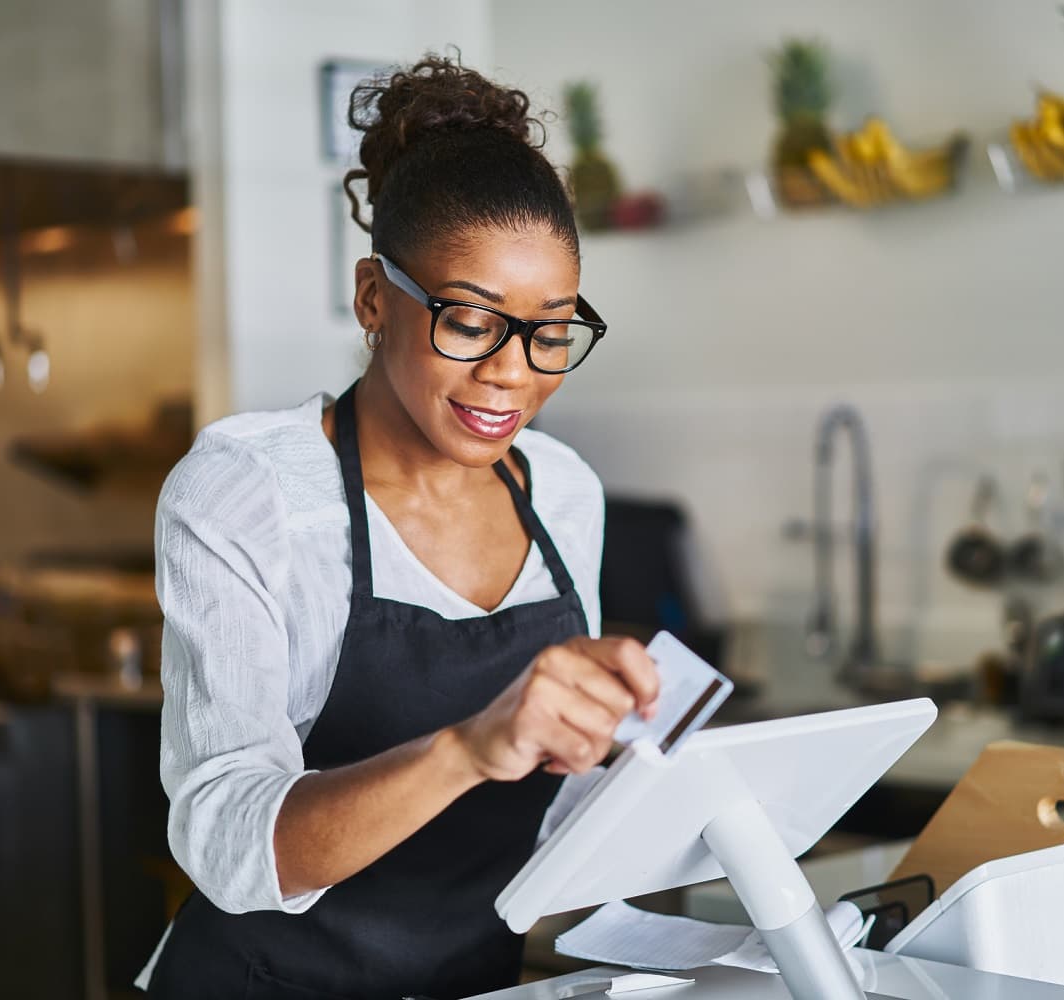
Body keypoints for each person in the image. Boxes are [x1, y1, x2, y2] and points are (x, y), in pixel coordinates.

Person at [138, 55, 661, 999]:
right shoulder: (249, 492)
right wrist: (466, 748)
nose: (512, 372)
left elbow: (535, 811)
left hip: (475, 982)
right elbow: (223, 838)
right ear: (375, 298)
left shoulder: (564, 491)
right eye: (470, 320)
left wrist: (623, 754)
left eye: (550, 331)